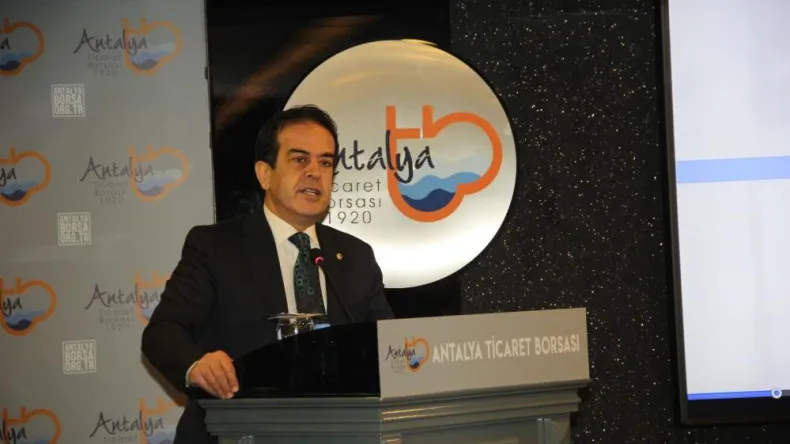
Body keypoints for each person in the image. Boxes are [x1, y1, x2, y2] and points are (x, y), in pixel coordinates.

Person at [141, 105, 394, 444]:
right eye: (300, 159)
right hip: (236, 432)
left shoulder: (355, 256)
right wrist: (197, 364)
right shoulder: (216, 247)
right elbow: (163, 332)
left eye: (325, 163)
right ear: (265, 174)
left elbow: (389, 348)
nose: (315, 173)